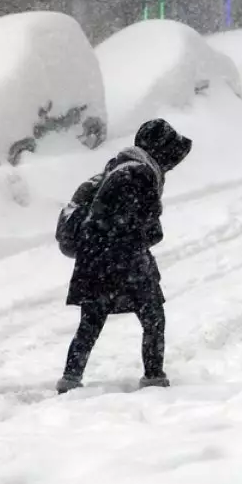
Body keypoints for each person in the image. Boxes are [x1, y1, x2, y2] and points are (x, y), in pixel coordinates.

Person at [57, 118, 193, 394]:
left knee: (91, 322)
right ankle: (154, 378)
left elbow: (102, 218)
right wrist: (140, 234)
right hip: (124, 260)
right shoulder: (140, 174)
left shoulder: (118, 166)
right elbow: (149, 229)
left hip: (95, 260)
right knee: (153, 316)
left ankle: (70, 379)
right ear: (161, 150)